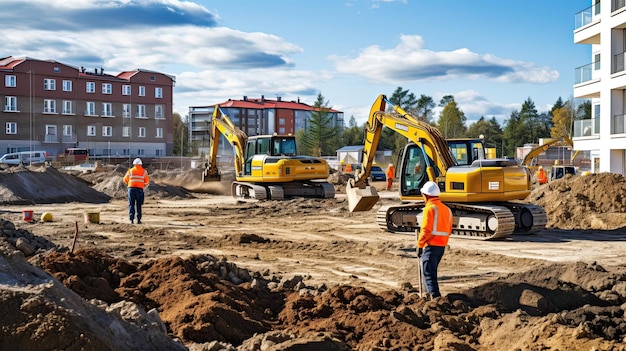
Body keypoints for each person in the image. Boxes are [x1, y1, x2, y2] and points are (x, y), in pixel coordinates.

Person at [417, 181, 453, 299]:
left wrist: (420, 244)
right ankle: (429, 297)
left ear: (426, 195)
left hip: (431, 246)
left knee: (428, 274)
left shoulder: (430, 209)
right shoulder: (446, 209)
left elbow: (426, 230)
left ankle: (435, 299)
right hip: (441, 247)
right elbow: (449, 229)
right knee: (430, 272)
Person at [124, 158, 150, 224]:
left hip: (131, 189)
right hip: (139, 190)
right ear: (141, 164)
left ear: (134, 164)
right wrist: (142, 185)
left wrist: (129, 183)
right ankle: (138, 220)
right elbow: (147, 182)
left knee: (131, 204)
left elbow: (125, 179)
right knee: (138, 205)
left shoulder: (130, 171)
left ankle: (131, 219)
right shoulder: (144, 172)